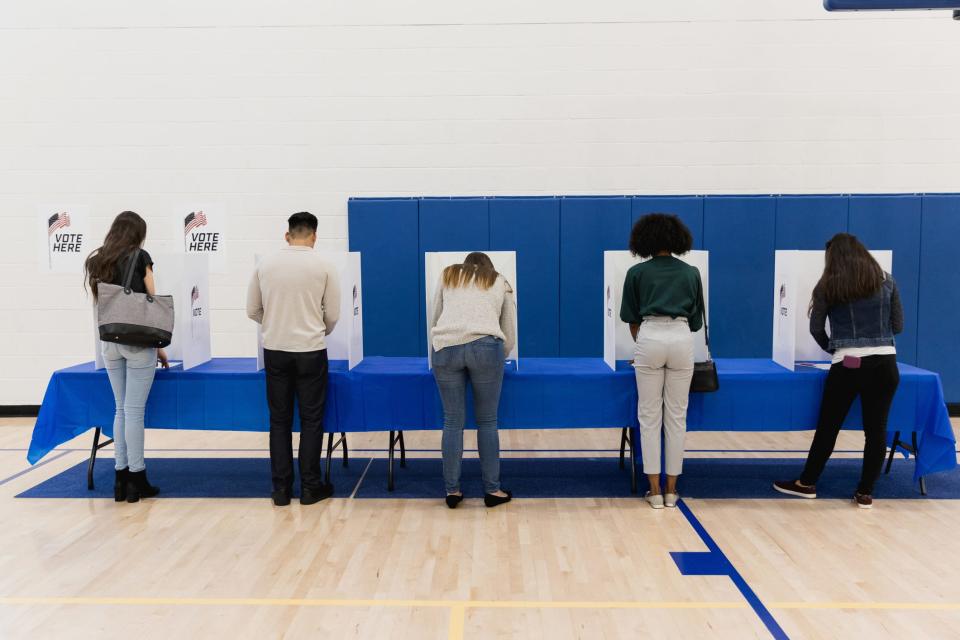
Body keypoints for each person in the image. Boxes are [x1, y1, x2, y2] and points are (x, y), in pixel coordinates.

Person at [774, 233, 903, 509]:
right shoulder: (887, 279)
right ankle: (865, 492)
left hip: (849, 363)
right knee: (876, 431)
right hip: (886, 363)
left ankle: (806, 483)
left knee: (829, 427)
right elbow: (899, 325)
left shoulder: (828, 285)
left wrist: (834, 349)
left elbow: (816, 328)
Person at [246, 212, 341, 507]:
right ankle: (311, 487)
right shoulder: (324, 265)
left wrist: (274, 323)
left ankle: (280, 490)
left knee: (279, 421)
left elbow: (252, 310)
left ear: (287, 235)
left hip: (275, 349)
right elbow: (334, 313)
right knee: (312, 421)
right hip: (311, 349)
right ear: (314, 236)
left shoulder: (266, 265)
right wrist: (318, 328)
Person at [84, 211, 169, 503]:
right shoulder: (141, 257)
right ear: (138, 234)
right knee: (134, 412)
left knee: (120, 409)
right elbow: (151, 302)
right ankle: (137, 478)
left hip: (109, 342)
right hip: (137, 343)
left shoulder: (98, 260)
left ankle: (120, 480)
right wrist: (158, 345)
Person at [620, 214, 703, 509]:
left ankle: (653, 490)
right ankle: (672, 489)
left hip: (649, 335)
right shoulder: (691, 272)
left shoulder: (636, 273)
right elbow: (696, 321)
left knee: (649, 415)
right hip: (681, 337)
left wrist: (644, 341)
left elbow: (630, 317)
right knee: (677, 417)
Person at [430, 252, 517, 508]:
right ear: (488, 267)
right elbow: (509, 330)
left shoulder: (449, 275)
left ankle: (452, 491)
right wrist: (502, 354)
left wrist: (437, 346)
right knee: (487, 421)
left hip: (445, 347)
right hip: (486, 347)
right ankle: (492, 490)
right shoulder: (500, 281)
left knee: (452, 421)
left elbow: (435, 317)